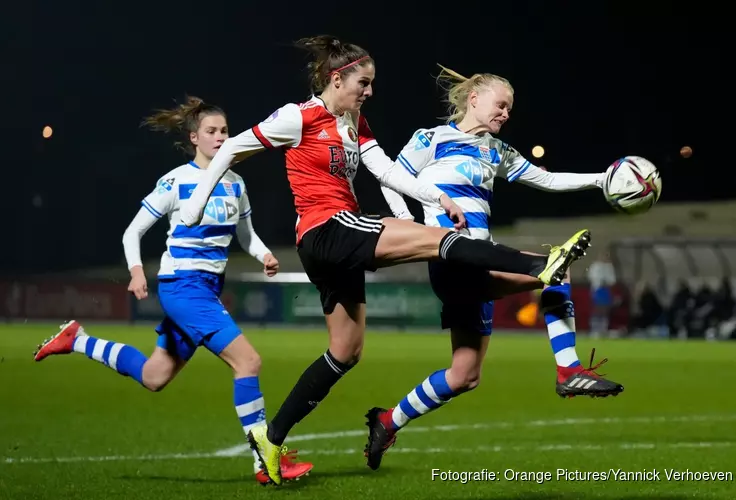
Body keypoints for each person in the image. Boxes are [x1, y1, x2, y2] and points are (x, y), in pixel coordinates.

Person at [178, 36, 591, 486]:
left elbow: (389, 172)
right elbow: (236, 147)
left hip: (337, 240)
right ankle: (539, 266)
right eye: (364, 82)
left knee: (346, 351)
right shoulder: (298, 116)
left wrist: (432, 198)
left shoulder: (356, 122)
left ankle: (271, 441)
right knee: (439, 241)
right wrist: (198, 202)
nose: (369, 91)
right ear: (337, 78)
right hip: (325, 228)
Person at [31, 97, 312, 485]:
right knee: (248, 362)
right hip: (183, 286)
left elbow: (246, 236)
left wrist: (264, 254)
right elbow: (133, 232)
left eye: (225, 131)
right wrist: (135, 271)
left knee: (153, 375)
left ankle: (77, 340)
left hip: (207, 290)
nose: (219, 137)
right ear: (194, 137)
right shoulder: (176, 180)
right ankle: (264, 462)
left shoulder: (235, 182)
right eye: (211, 131)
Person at [363, 66, 625, 470]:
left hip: (481, 262)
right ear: (474, 100)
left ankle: (387, 421)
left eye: (509, 108)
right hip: (452, 256)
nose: (505, 113)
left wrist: (602, 180)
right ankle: (568, 369)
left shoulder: (495, 152)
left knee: (464, 375)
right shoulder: (432, 139)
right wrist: (409, 222)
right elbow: (390, 177)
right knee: (555, 267)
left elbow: (548, 180)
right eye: (500, 104)